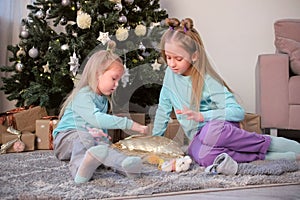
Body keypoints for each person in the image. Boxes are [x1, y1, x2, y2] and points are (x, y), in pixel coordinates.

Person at [152, 17, 300, 167]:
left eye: (178, 58)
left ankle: (269, 144)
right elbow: (163, 109)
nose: (171, 64)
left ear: (194, 56)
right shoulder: (169, 76)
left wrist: (202, 116)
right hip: (198, 137)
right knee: (203, 158)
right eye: (168, 57)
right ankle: (268, 157)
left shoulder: (207, 80)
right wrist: (154, 142)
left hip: (219, 129)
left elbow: (237, 112)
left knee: (211, 133)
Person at [53, 40, 148, 184]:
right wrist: (129, 124)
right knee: (83, 138)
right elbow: (95, 119)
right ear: (98, 74)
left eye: (118, 81)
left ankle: (124, 164)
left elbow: (96, 126)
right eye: (114, 79)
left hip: (89, 137)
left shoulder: (103, 100)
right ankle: (80, 169)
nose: (116, 85)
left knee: (104, 148)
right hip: (66, 139)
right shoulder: (83, 95)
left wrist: (101, 136)